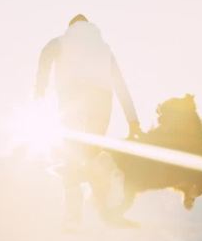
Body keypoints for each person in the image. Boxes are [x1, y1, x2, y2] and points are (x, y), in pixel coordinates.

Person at [35, 13, 142, 229]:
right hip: (102, 100)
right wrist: (133, 120)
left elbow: (45, 57)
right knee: (93, 155)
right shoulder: (105, 48)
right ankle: (112, 196)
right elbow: (121, 84)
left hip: (72, 97)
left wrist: (40, 89)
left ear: (71, 26)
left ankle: (73, 218)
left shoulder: (61, 41)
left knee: (71, 154)